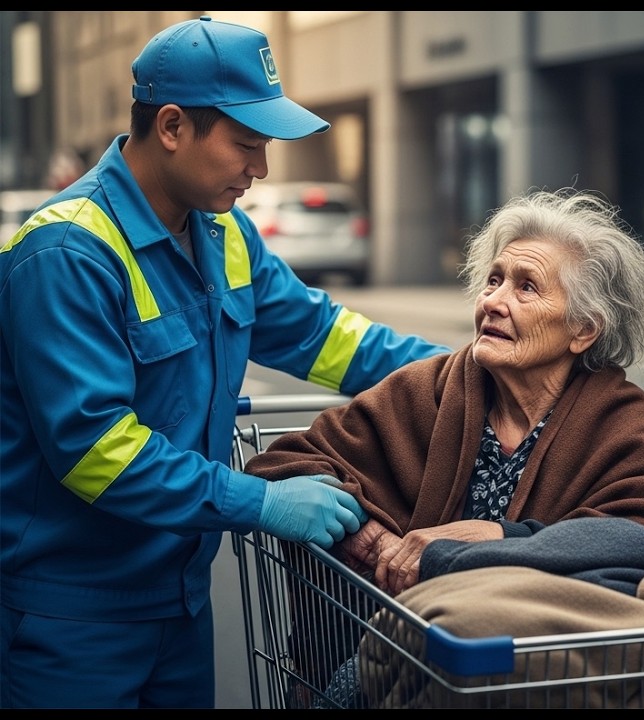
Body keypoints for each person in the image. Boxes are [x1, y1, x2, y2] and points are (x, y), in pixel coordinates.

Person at [0, 16, 451, 709]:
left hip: (180, 603)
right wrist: (262, 502)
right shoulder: (65, 253)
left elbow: (328, 338)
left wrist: (470, 373)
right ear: (173, 127)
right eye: (246, 143)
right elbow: (94, 449)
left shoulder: (222, 233)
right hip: (71, 615)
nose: (261, 168)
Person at [243, 187, 644, 703]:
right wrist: (370, 539)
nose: (494, 302)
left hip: (541, 672)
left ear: (583, 330)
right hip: (402, 651)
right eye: (494, 280)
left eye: (527, 288)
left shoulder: (622, 421)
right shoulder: (428, 388)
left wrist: (500, 537)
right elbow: (286, 461)